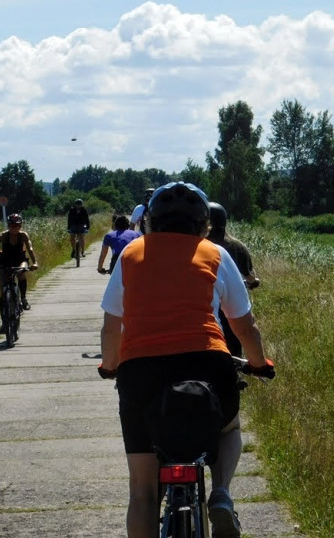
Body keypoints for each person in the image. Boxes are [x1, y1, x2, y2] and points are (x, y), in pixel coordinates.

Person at [99, 182, 274, 538]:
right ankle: (221, 492)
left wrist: (110, 365)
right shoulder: (215, 254)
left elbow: (111, 326)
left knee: (142, 491)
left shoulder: (131, 255)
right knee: (229, 426)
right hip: (206, 364)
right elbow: (245, 326)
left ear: (150, 221)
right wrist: (258, 364)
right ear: (203, 223)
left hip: (141, 373)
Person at [207, 202, 261, 358]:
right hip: (230, 304)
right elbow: (249, 275)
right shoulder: (237, 246)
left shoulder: (198, 246)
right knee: (237, 336)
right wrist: (254, 282)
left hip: (208, 303)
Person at [0, 213, 38, 327]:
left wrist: (35, 262)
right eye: (12, 225)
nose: (14, 228)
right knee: (3, 293)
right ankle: (4, 323)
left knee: (21, 272)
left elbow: (30, 249)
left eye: (17, 225)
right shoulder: (3, 236)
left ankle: (23, 298)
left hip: (19, 260)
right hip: (4, 262)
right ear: (8, 225)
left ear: (21, 225)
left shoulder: (23, 236)